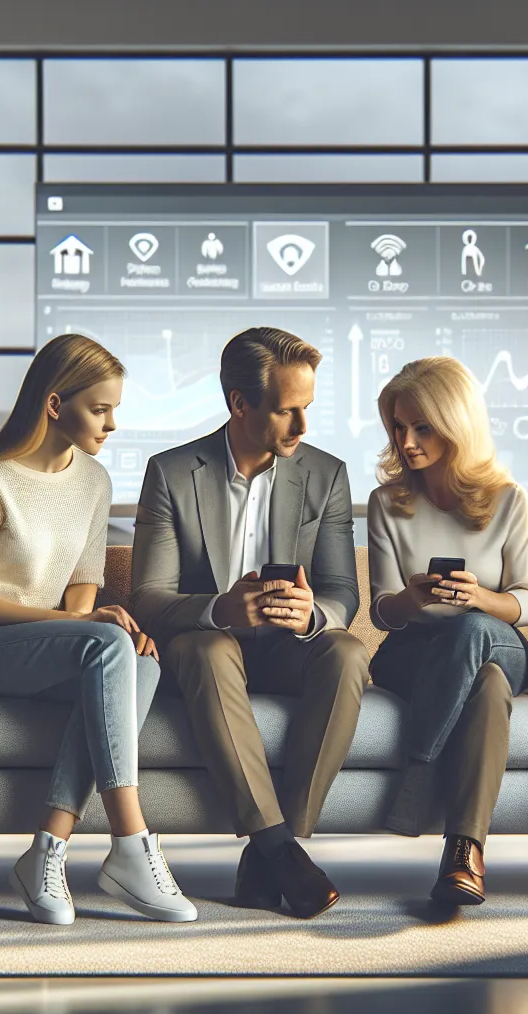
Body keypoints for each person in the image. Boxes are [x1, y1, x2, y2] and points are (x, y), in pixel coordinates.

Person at [0, 334, 195, 925]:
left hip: (39, 645)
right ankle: (131, 841)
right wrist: (81, 625)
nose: (112, 423)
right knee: (108, 642)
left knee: (141, 659)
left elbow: (81, 589)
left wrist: (88, 622)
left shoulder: (94, 482)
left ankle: (48, 846)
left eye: (114, 409)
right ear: (54, 404)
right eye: (100, 409)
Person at [129, 327, 368, 920]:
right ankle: (281, 850)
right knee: (209, 650)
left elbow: (342, 591)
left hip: (291, 645)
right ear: (240, 402)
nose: (302, 428)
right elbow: (149, 596)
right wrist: (219, 609)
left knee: (347, 652)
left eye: (307, 409)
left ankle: (271, 853)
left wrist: (313, 614)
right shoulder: (171, 472)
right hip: (209, 645)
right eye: (288, 411)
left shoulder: (326, 474)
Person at [365, 356, 528, 907]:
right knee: (487, 687)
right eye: (398, 427)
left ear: (456, 424)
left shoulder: (508, 500)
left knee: (472, 632)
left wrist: (481, 599)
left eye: (422, 427)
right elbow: (381, 613)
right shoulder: (386, 504)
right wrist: (412, 599)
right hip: (416, 651)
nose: (407, 441)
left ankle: (417, 777)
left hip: (496, 635)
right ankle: (464, 854)